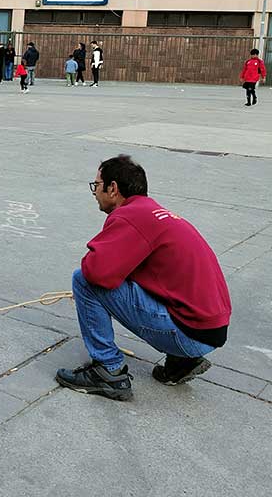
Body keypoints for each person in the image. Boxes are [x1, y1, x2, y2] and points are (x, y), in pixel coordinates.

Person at [56, 155, 232, 400]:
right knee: (141, 279)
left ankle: (108, 370)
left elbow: (94, 271)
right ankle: (180, 363)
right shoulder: (154, 212)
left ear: (113, 188)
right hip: (210, 329)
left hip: (190, 333)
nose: (95, 192)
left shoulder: (130, 217)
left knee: (83, 281)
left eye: (96, 185)